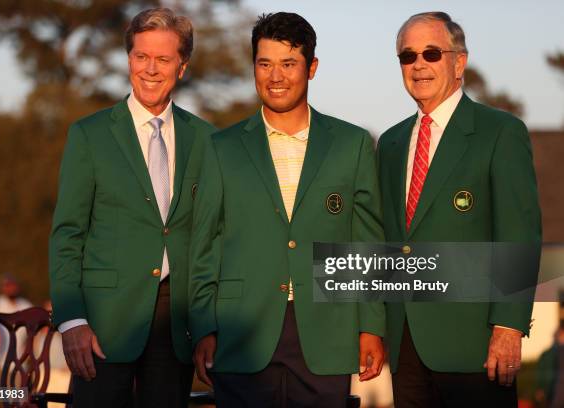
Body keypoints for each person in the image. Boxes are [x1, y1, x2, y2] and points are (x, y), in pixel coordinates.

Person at [189, 12, 385, 408]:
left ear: (311, 68)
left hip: (326, 331)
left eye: (288, 63)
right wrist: (204, 327)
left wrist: (371, 327)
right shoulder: (220, 148)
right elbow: (204, 245)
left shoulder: (352, 144)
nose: (275, 76)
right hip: (241, 333)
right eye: (265, 64)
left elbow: (366, 244)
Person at [49, 8, 216, 407]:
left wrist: (207, 326)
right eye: (141, 57)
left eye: (163, 59)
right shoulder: (89, 135)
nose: (150, 69)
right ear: (129, 60)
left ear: (182, 66)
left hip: (174, 326)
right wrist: (72, 321)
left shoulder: (207, 140)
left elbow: (213, 238)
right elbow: (68, 234)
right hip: (102, 326)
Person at [377, 11, 542, 407]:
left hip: (477, 347)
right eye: (407, 56)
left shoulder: (500, 132)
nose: (418, 65)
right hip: (406, 347)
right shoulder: (391, 142)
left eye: (431, 53)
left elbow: (518, 234)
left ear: (459, 62)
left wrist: (508, 326)